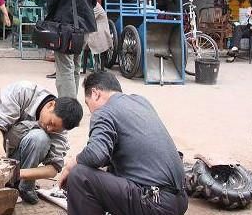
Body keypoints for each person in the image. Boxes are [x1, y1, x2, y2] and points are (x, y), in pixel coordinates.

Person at [59, 72, 188, 215]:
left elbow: (96, 155)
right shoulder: (141, 102)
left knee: (79, 175)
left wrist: (72, 163)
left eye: (88, 104)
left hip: (155, 204)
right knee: (111, 168)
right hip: (180, 200)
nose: (90, 111)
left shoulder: (104, 112)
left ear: (95, 94)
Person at [0, 81, 83, 204]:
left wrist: (14, 173)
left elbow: (53, 169)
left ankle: (24, 187)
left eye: (55, 129)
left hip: (14, 164)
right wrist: (0, 159)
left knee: (40, 137)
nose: (50, 128)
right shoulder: (23, 91)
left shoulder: (60, 130)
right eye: (51, 123)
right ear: (51, 105)